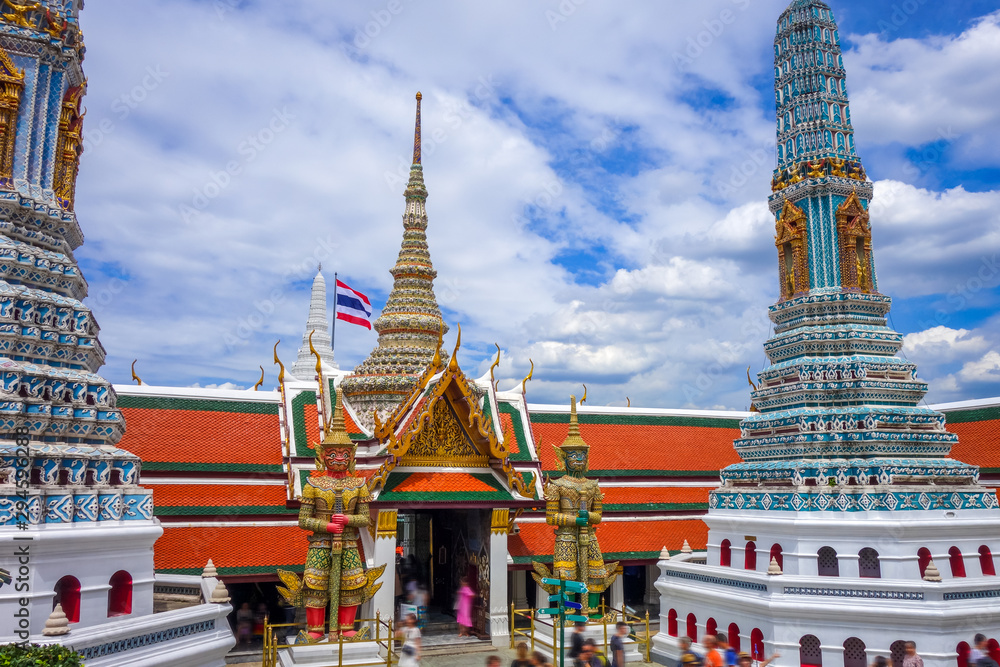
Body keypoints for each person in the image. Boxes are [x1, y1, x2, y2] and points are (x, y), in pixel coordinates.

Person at [278, 393, 375, 641]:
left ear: (351, 455)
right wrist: (328, 525)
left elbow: (365, 518)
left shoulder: (359, 484)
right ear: (323, 455)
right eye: (333, 453)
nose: (339, 458)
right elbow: (303, 520)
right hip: (320, 542)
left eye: (344, 453)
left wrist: (348, 521)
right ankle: (316, 630)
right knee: (315, 585)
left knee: (351, 585)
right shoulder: (313, 484)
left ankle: (345, 628)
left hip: (350, 543)